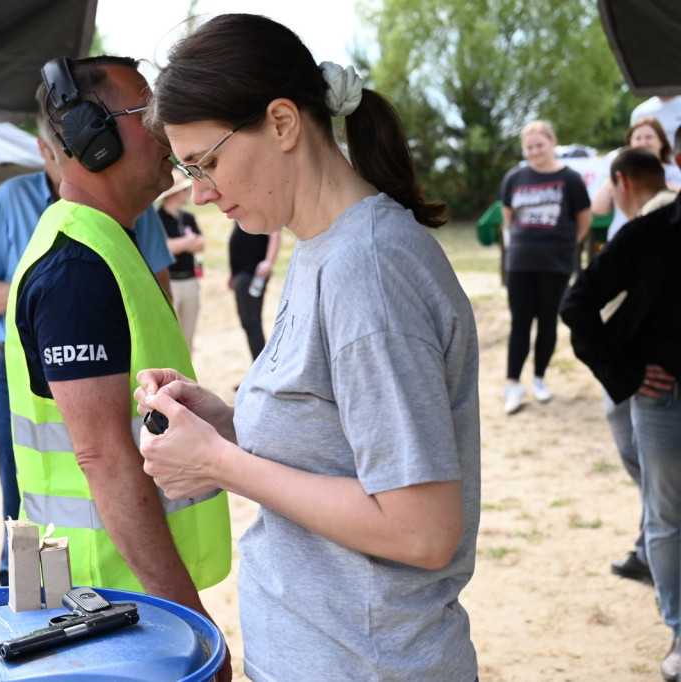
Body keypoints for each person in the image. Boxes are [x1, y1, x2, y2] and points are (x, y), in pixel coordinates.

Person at [136, 14, 480, 681]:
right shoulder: (326, 250)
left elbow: (421, 529)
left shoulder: (368, 270)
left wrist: (221, 465)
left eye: (207, 163)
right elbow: (346, 451)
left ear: (284, 122)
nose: (201, 192)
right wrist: (227, 429)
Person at [2, 54, 232, 677]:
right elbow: (103, 459)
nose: (165, 125)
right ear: (90, 138)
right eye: (145, 110)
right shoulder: (77, 269)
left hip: (122, 595)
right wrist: (197, 628)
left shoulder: (107, 245)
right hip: (105, 600)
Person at [0, 85, 178, 586]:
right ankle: (19, 580)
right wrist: (51, 307)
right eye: (143, 114)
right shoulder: (19, 211)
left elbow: (155, 294)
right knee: (29, 491)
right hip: (27, 367)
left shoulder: (136, 210)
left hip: (122, 366)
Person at [560, 161, 681, 682]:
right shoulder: (652, 233)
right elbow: (578, 304)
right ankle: (680, 630)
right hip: (665, 401)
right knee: (667, 520)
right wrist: (625, 370)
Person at [500, 120, 591, 414]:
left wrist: (565, 246)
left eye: (539, 145)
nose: (535, 151)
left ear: (552, 143)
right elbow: (509, 218)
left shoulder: (571, 179)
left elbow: (584, 221)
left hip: (556, 263)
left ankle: (539, 378)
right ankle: (512, 384)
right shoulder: (514, 178)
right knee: (520, 322)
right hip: (520, 262)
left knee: (547, 321)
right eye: (529, 147)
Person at [592, 116, 681, 243]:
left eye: (649, 137)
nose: (643, 142)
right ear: (630, 144)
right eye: (637, 138)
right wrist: (618, 174)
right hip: (620, 242)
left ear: (662, 142)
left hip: (659, 243)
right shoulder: (619, 175)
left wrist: (650, 180)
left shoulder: (674, 171)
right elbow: (599, 209)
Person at [158, 169, 204, 351]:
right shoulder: (159, 218)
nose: (187, 193)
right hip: (170, 283)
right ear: (174, 193)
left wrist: (179, 244)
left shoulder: (188, 217)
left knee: (189, 337)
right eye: (184, 190)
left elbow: (201, 244)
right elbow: (164, 248)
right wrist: (188, 242)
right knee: (171, 338)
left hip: (191, 281)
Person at [227, 221, 280, 361]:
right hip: (241, 275)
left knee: (252, 323)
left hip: (252, 275)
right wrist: (233, 273)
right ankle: (257, 367)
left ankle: (260, 369)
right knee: (247, 323)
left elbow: (275, 234)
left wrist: (269, 262)